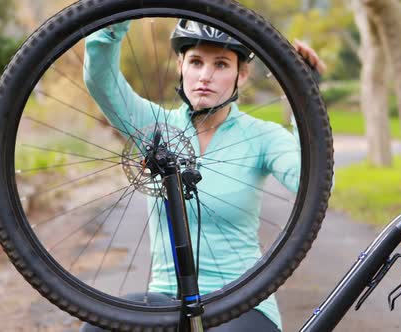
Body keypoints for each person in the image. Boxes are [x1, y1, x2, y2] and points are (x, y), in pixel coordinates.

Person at [81, 19, 325, 331]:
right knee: (96, 328)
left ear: (242, 74)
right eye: (196, 62)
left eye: (221, 64)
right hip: (167, 296)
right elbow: (101, 81)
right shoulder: (153, 127)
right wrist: (115, 17)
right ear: (180, 65)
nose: (205, 76)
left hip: (243, 300)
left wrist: (305, 96)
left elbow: (306, 177)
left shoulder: (263, 136)